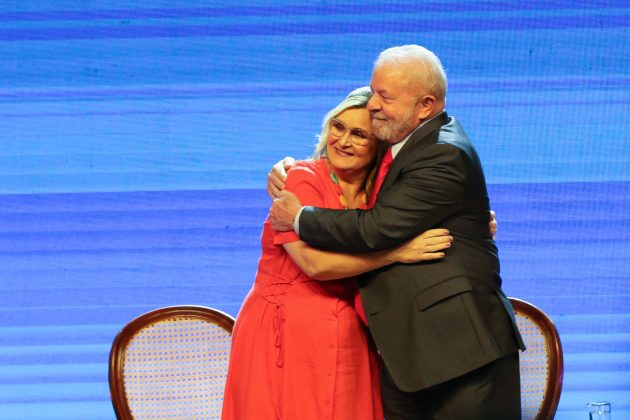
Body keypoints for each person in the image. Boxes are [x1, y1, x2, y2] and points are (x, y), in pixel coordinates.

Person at [269, 45, 526, 419]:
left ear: (425, 105)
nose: (373, 104)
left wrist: (298, 216)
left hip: (458, 353)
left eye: (384, 96)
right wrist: (285, 168)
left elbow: (378, 227)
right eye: (374, 91)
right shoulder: (401, 143)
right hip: (405, 355)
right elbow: (344, 164)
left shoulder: (442, 152)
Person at [221, 87, 454, 420]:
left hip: (351, 333)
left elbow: (425, 218)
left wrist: (473, 223)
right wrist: (396, 254)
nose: (343, 141)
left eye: (359, 134)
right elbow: (313, 264)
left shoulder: (382, 197)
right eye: (338, 127)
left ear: (379, 145)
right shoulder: (301, 178)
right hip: (284, 333)